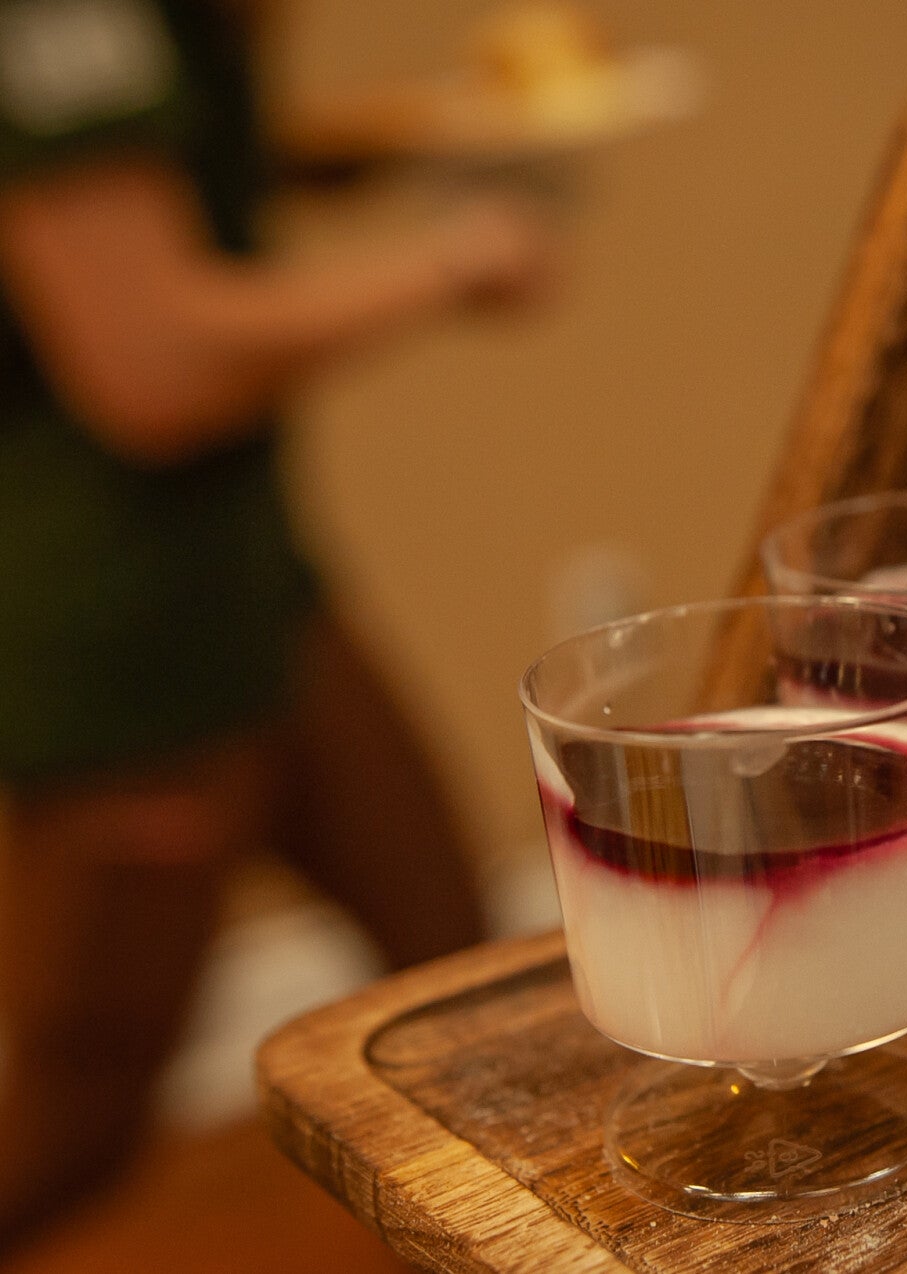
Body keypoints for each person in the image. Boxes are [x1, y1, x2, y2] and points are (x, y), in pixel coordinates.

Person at [0, 0, 551, 1241]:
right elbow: (150, 365)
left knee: (453, 982)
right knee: (74, 1121)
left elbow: (120, 180)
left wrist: (328, 151)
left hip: (255, 589)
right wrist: (452, 264)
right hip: (132, 646)